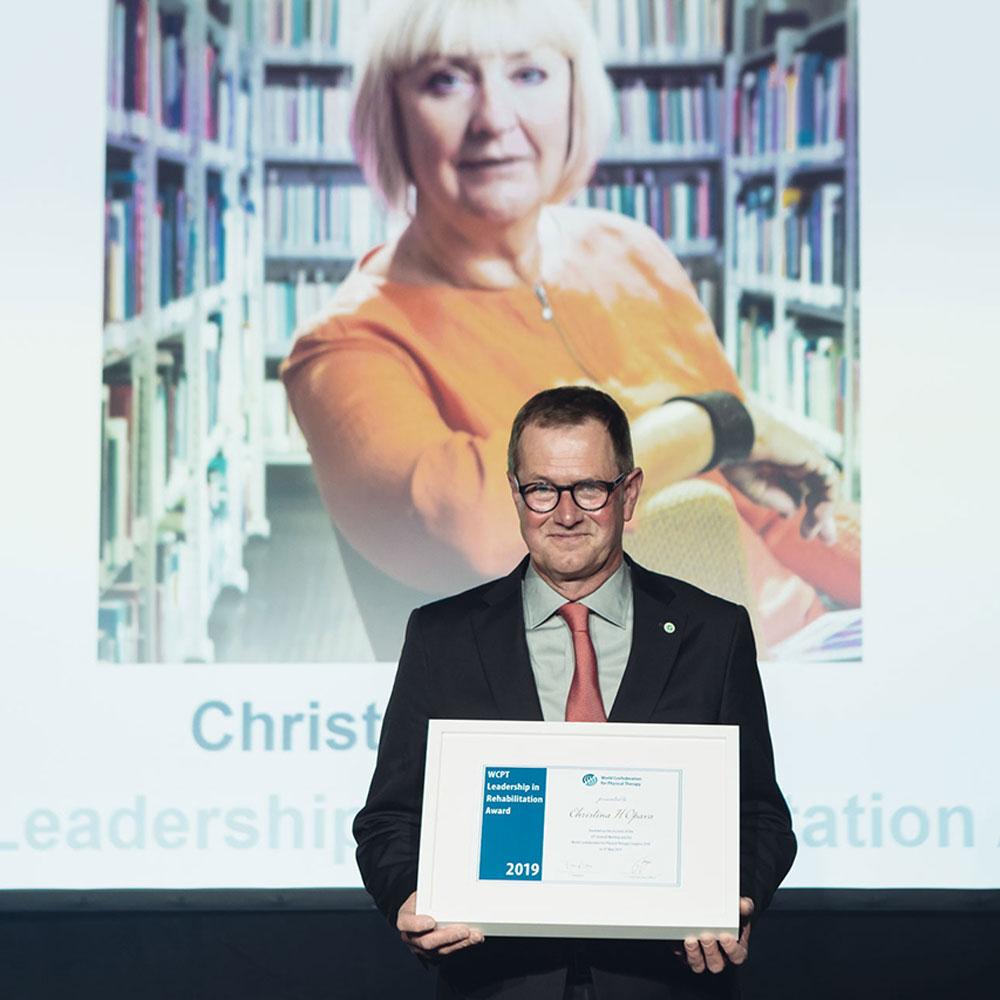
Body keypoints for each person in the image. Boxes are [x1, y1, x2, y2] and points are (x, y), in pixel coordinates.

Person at [280, 0, 860, 659]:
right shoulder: (348, 348)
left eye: (528, 75)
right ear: (389, 114)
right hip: (625, 706)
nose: (494, 119)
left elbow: (769, 506)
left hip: (808, 644)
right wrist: (706, 425)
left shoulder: (631, 250)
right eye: (446, 80)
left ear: (575, 99)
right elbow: (480, 530)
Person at [354, 386, 797, 1000]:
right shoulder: (442, 636)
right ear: (516, 493)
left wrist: (733, 896)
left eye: (590, 488)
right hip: (500, 983)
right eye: (542, 489)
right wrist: (407, 894)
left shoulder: (713, 633)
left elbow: (762, 817)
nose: (565, 514)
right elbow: (389, 819)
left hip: (662, 984)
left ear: (629, 492)